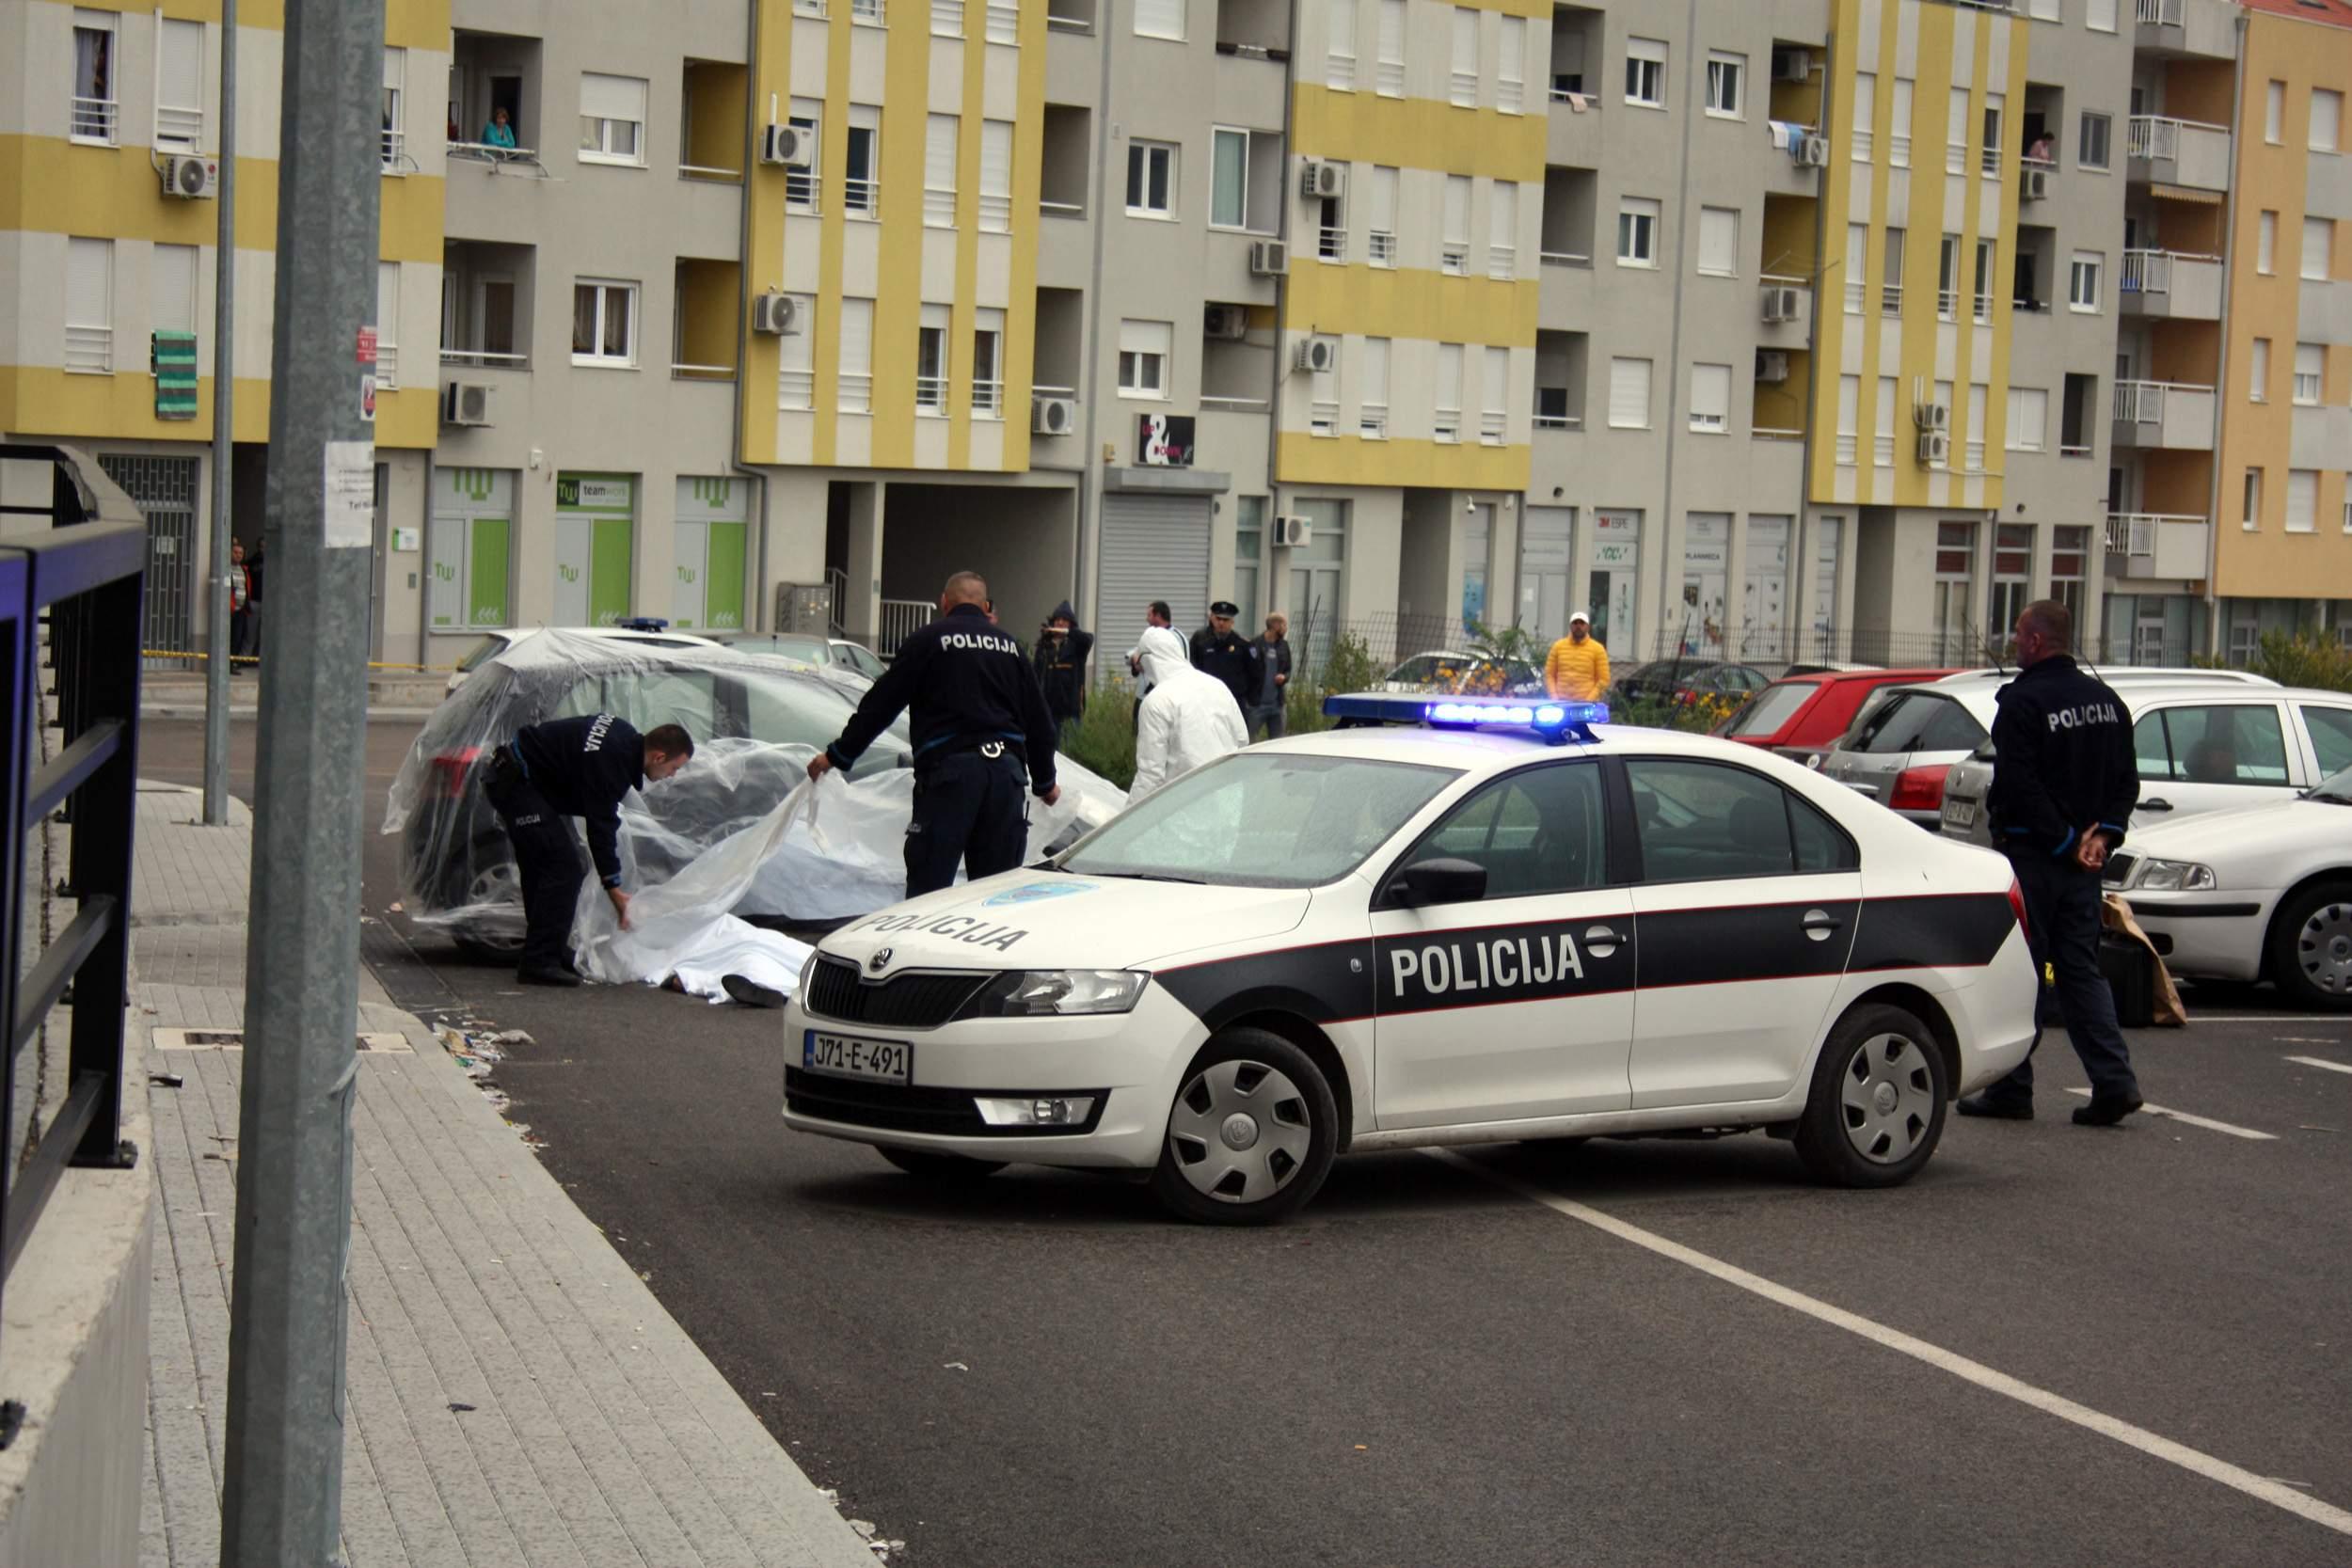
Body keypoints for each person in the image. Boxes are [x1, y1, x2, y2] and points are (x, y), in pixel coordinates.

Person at [1960, 599, 2144, 1127]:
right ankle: (2115, 1082)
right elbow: (2125, 784)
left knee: (2022, 972)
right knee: (2081, 971)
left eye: (2019, 636)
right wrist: (2102, 838)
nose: (2015, 644)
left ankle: (2012, 1088)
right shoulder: (2107, 702)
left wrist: (2064, 841)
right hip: (2084, 866)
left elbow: (2021, 786)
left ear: (2037, 642)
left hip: (2035, 858)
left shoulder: (2022, 704)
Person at [808, 570, 1060, 898]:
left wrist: (837, 756)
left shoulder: (927, 640)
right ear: (986, 606)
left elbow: (881, 705)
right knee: (996, 896)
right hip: (1005, 779)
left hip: (951, 778)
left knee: (929, 894)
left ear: (945, 603)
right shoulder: (1011, 648)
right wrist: (1045, 783)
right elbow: (1040, 722)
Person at [483, 715, 695, 987]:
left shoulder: (623, 736)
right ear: (658, 756)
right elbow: (601, 829)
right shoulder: (612, 763)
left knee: (545, 866)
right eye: (674, 768)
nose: (672, 776)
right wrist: (614, 889)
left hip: (522, 779)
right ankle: (539, 961)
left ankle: (550, 949)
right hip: (516, 783)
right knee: (563, 869)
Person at [1130, 626, 1248, 800]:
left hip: (1182, 810)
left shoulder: (1157, 701)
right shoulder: (1218, 686)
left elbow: (1150, 775)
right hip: (1227, 801)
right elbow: (1242, 740)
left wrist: (1126, 822)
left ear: (1148, 660)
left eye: (1139, 663)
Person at [1032, 600, 1094, 738]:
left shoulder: (1077, 645)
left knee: (1068, 752)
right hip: (1049, 710)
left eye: (1064, 620)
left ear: (1071, 623)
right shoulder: (1044, 646)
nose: (1060, 623)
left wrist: (1068, 632)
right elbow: (1035, 674)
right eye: (1058, 620)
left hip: (1071, 710)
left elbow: (1088, 639)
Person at [1189, 601, 1255, 714]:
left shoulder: (1241, 644)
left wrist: (1250, 700)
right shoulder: (1200, 640)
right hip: (1206, 698)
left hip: (1233, 699)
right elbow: (1192, 666)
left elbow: (1253, 672)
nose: (1221, 623)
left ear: (1232, 622)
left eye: (1225, 620)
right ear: (1212, 618)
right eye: (1218, 619)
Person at [1127, 600, 1174, 731]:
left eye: (1149, 615)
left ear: (1158, 616)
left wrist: (1144, 663)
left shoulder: (1175, 637)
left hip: (1162, 697)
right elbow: (1137, 659)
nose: (1146, 619)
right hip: (1142, 695)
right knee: (1137, 734)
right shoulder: (1148, 635)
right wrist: (1135, 661)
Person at [1544, 610, 1611, 703]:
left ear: (1588, 627)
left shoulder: (1598, 649)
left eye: (1582, 623)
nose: (1578, 626)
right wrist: (1554, 697)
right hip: (1560, 703)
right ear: (1570, 626)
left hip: (1587, 704)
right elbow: (1549, 675)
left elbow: (1603, 679)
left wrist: (1589, 700)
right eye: (1575, 623)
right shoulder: (1558, 647)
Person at [1247, 612, 1293, 738]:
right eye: (1284, 624)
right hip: (1256, 704)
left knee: (1278, 741)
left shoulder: (1284, 646)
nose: (1286, 628)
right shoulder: (1254, 644)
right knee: (1248, 739)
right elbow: (1247, 671)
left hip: (1277, 704)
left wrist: (1284, 677)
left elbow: (1288, 670)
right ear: (1275, 625)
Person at [225, 540, 255, 674]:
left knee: (237, 639)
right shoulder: (225, 568)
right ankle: (224, 665)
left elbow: (246, 587)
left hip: (241, 610)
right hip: (228, 610)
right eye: (235, 552)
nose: (238, 555)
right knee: (227, 638)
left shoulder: (244, 569)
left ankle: (232, 664)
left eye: (240, 553)